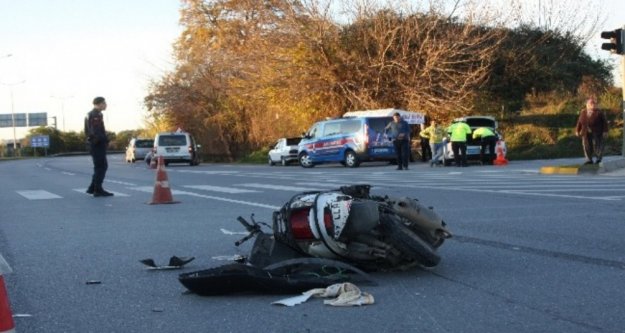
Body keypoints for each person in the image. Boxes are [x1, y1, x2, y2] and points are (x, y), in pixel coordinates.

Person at [84, 97, 113, 197]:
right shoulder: (94, 115)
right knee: (101, 166)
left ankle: (93, 188)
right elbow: (95, 131)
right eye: (104, 103)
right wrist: (104, 140)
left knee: (99, 166)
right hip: (96, 144)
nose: (106, 105)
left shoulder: (97, 114)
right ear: (99, 104)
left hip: (95, 143)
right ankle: (97, 189)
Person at [575, 97, 608, 165]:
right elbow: (579, 122)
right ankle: (589, 159)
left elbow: (605, 122)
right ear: (587, 104)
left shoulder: (599, 112)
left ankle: (598, 159)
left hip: (597, 132)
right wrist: (577, 130)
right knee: (586, 146)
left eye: (594, 103)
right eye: (591, 103)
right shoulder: (583, 112)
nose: (592, 104)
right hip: (585, 132)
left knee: (597, 145)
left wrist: (605, 131)